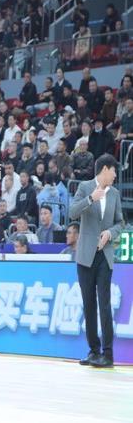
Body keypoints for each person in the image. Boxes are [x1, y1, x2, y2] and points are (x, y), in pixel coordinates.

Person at [69, 154, 123, 368]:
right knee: (89, 304)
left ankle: (108, 354)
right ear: (105, 169)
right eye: (114, 171)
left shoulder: (115, 194)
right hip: (85, 256)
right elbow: (72, 213)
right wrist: (91, 198)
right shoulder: (84, 187)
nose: (115, 175)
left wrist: (110, 233)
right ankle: (93, 351)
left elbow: (120, 222)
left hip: (105, 256)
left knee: (105, 304)